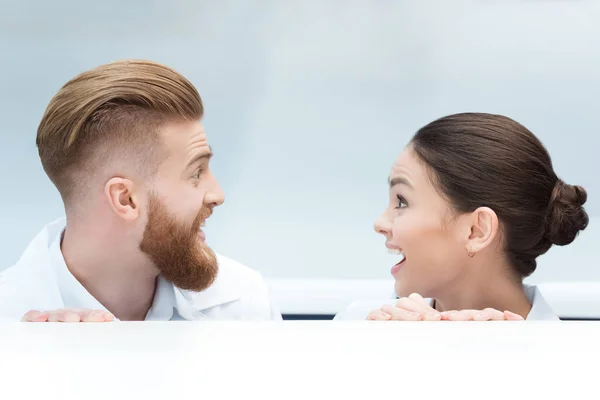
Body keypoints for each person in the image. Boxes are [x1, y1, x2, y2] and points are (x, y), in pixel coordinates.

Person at [0, 59, 281, 322]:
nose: (217, 194)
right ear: (126, 199)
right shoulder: (9, 319)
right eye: (196, 174)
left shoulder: (244, 304)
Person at [335, 113, 589, 321]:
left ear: (476, 230)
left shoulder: (573, 361)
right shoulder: (358, 326)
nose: (380, 223)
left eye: (402, 201)